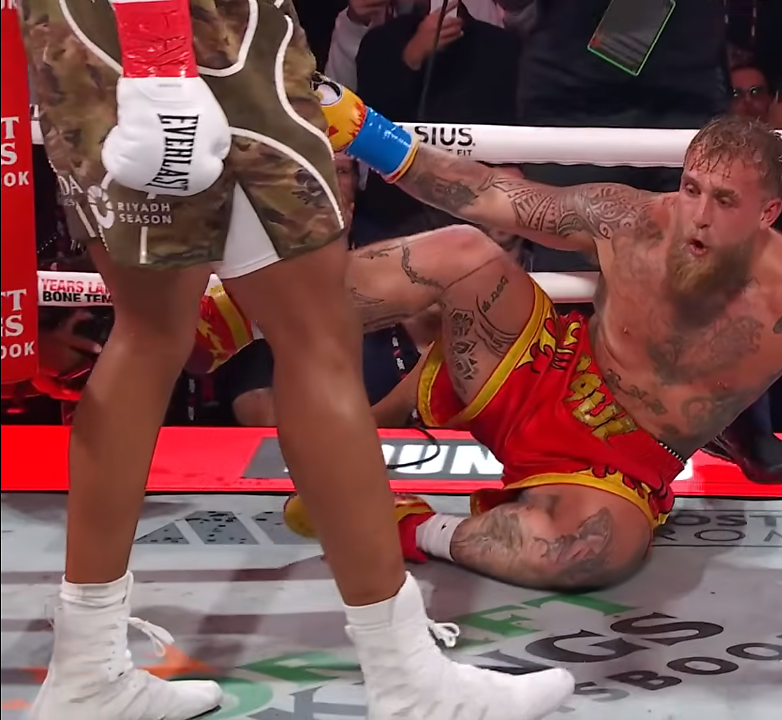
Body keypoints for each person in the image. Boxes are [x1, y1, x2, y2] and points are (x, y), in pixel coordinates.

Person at [17, 1, 572, 719]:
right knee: (313, 336)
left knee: (148, 334)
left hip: (90, 34)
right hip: (209, 38)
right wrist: (161, 61)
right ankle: (407, 679)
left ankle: (87, 673)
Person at [274, 78, 782, 591]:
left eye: (724, 200)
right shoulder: (630, 220)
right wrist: (366, 131)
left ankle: (398, 526)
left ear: (768, 213)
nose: (697, 214)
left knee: (595, 552)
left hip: (614, 466)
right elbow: (490, 194)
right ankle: (243, 311)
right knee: (461, 250)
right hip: (541, 373)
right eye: (691, 189)